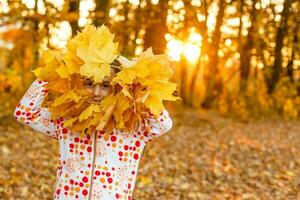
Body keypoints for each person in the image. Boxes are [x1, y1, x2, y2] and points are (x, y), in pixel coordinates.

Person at [13, 65, 173, 200]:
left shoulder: (131, 126)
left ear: (117, 87)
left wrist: (140, 94)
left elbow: (163, 125)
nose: (96, 92)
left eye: (105, 85)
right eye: (89, 83)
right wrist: (50, 76)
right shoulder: (68, 119)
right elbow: (24, 113)